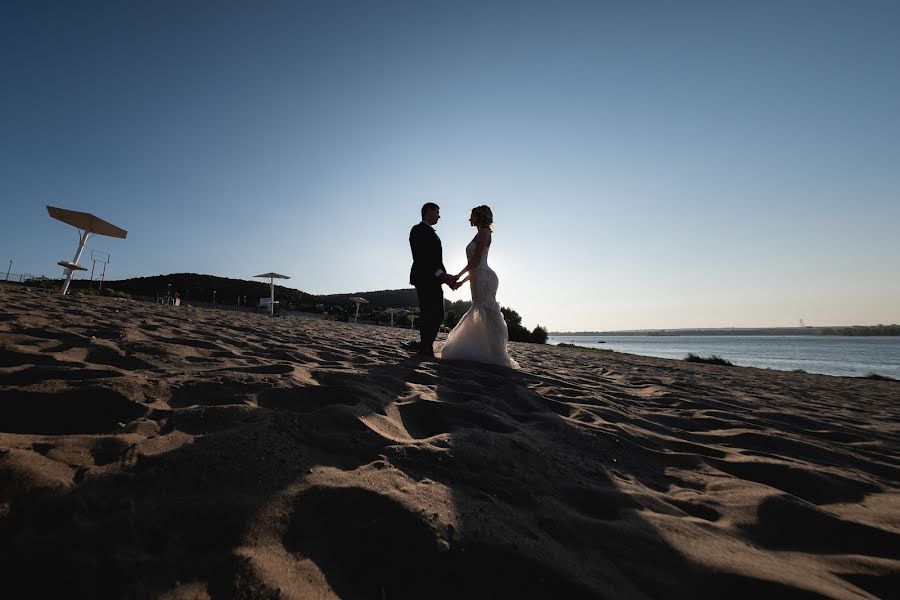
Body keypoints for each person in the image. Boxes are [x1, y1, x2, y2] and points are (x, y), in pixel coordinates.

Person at [439, 205, 519, 368]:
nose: (470, 219)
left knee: (486, 312)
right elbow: (475, 266)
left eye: (473, 216)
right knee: (480, 310)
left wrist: (457, 275)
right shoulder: (480, 233)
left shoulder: (484, 233)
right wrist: (461, 282)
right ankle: (487, 350)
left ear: (480, 216)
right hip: (478, 277)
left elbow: (475, 262)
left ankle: (497, 353)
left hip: (484, 278)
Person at [409, 203, 458, 357]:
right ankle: (425, 347)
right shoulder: (417, 230)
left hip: (434, 278)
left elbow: (436, 260)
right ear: (428, 211)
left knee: (436, 313)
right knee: (431, 312)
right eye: (437, 212)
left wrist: (446, 278)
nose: (439, 215)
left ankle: (425, 346)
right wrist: (441, 275)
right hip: (424, 277)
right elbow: (421, 256)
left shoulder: (433, 233)